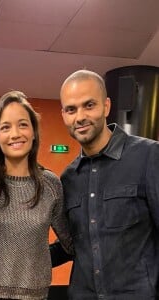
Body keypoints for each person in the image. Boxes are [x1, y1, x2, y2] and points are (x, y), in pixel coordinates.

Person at [51, 69, 159, 299]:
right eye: (71, 109)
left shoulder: (149, 156)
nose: (80, 117)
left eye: (89, 105)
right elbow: (75, 244)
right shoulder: (68, 178)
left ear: (106, 106)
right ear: (63, 115)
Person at [0, 90, 74, 300]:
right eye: (5, 127)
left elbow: (70, 244)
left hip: (35, 296)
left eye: (23, 124)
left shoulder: (50, 184)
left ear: (34, 133)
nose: (15, 133)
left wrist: (35, 259)